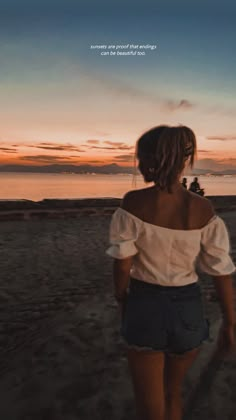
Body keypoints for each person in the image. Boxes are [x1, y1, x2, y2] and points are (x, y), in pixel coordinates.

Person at [106, 125, 235, 420]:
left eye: (140, 159)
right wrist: (230, 321)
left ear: (155, 160)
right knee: (172, 393)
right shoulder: (203, 209)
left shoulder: (133, 202)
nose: (138, 166)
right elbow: (220, 271)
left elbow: (123, 262)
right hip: (188, 309)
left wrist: (121, 296)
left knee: (150, 407)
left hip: (145, 304)